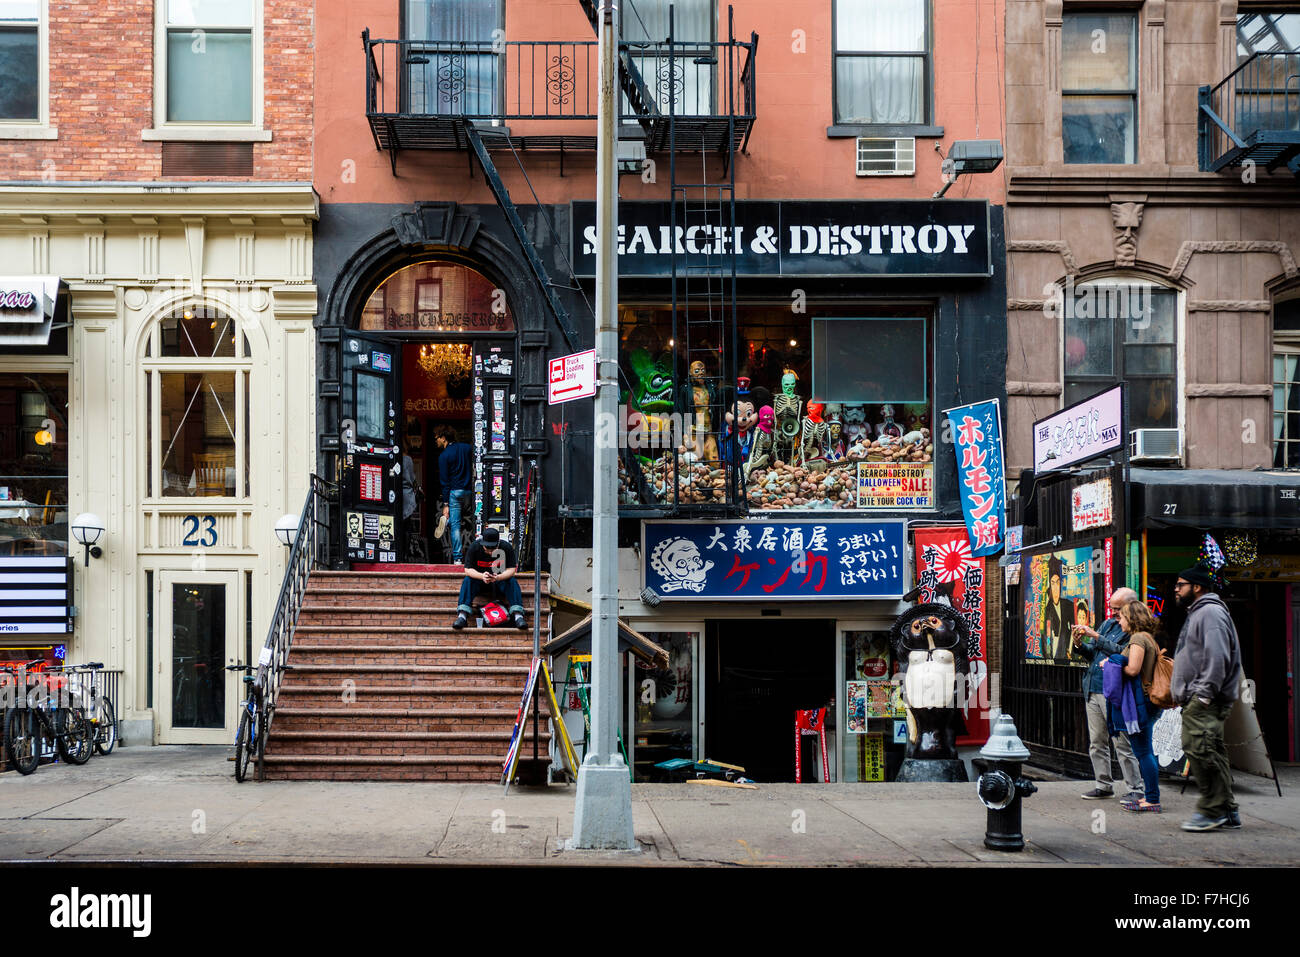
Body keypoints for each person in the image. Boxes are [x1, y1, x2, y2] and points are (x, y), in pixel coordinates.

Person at [1171, 564, 1244, 832]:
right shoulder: (1201, 613)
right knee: (1211, 750)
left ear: (1197, 587)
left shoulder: (1210, 613)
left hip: (1205, 701)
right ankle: (1227, 809)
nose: (1176, 590)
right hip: (1202, 698)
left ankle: (1211, 810)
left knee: (1199, 749)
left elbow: (1217, 657)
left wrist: (1202, 696)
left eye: (1181, 585)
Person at [1072, 587, 1145, 801]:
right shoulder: (1108, 624)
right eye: (1112, 608)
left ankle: (1135, 788)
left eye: (1117, 609)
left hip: (1115, 691)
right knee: (1097, 741)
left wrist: (1095, 635)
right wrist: (1079, 644)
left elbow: (1121, 654)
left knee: (1122, 742)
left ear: (1130, 607)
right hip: (1093, 687)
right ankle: (1103, 784)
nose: (1113, 613)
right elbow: (1093, 654)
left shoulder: (1135, 631)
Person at [1112, 599, 1163, 813]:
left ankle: (1152, 798)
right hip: (1147, 701)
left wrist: (1111, 666)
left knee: (1143, 751)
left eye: (1122, 617)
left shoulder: (1138, 639)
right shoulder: (1149, 638)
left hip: (1140, 702)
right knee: (1145, 750)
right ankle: (1152, 796)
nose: (1119, 621)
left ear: (1131, 618)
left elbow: (1133, 669)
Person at [453, 526, 527, 631]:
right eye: (487, 548)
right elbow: (468, 570)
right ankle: (462, 616)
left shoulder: (506, 547)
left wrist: (499, 577)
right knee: (467, 580)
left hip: (499, 581)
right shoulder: (474, 547)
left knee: (512, 581)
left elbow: (512, 569)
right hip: (480, 581)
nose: (490, 552)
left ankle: (518, 616)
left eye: (492, 549)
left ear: (498, 544)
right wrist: (482, 576)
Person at [434, 425, 473, 565]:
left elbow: (445, 482)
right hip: (469, 491)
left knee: (455, 525)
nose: (436, 441)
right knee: (473, 521)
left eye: (437, 438)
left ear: (443, 438)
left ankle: (457, 558)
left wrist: (445, 504)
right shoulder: (467, 448)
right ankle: (475, 554)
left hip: (454, 493)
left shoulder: (444, 456)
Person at [1040, 556, 1075, 659]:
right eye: (1053, 583)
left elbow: (1074, 628)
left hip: (1066, 648)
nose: (1056, 587)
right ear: (1050, 586)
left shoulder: (1068, 604)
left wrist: (1070, 649)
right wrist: (1048, 655)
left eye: (1058, 582)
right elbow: (1046, 636)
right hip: (1052, 648)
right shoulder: (1047, 609)